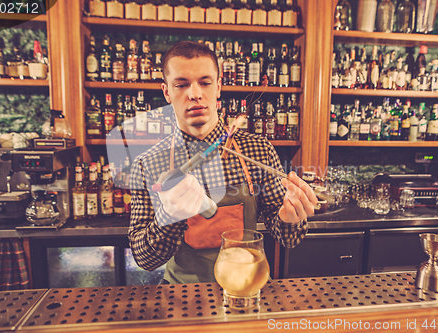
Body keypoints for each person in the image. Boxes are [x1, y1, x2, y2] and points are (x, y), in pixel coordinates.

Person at [129, 41, 317, 284]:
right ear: (167, 92)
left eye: (205, 83)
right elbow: (144, 260)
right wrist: (168, 217)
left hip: (247, 285)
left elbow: (288, 238)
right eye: (181, 84)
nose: (195, 93)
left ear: (218, 87)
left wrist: (291, 218)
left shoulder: (258, 150)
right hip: (182, 296)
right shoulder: (149, 164)